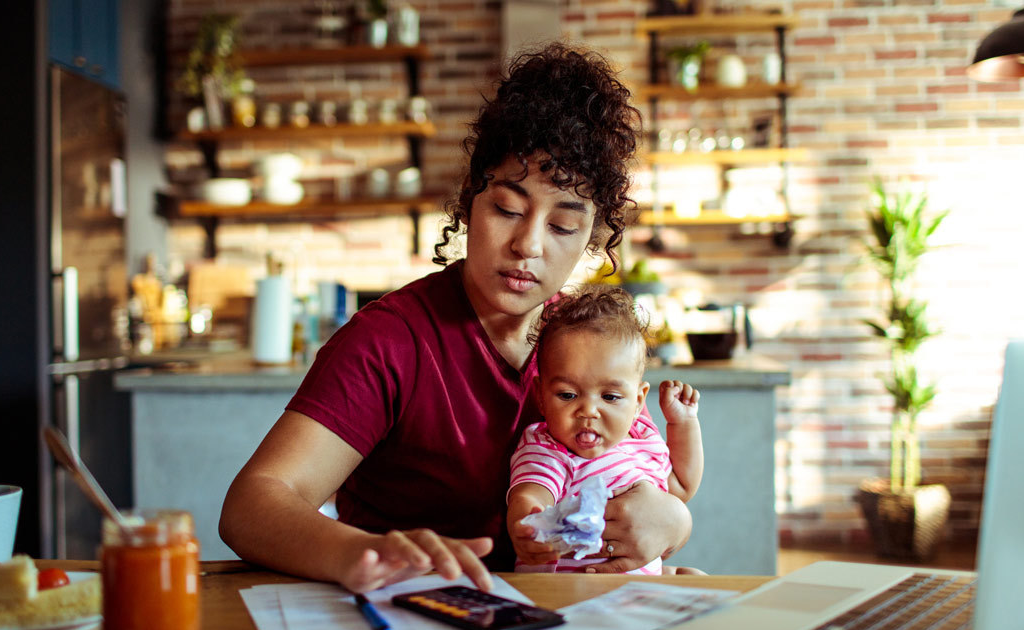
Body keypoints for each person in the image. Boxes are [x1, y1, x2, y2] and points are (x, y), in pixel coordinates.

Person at [219, 43, 693, 594]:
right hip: (414, 610)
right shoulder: (390, 341)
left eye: (563, 226)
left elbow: (641, 478)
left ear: (593, 236)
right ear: (470, 201)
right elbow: (252, 505)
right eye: (507, 210)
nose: (528, 245)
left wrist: (673, 523)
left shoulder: (588, 343)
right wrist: (362, 552)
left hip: (565, 616)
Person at [506, 285, 704, 574]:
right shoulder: (548, 448)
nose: (588, 411)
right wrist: (527, 522)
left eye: (610, 397)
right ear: (540, 396)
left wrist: (683, 424)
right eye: (568, 395)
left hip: (635, 589)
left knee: (695, 578)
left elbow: (681, 488)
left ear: (638, 401)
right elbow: (531, 493)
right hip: (572, 590)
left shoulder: (641, 439)